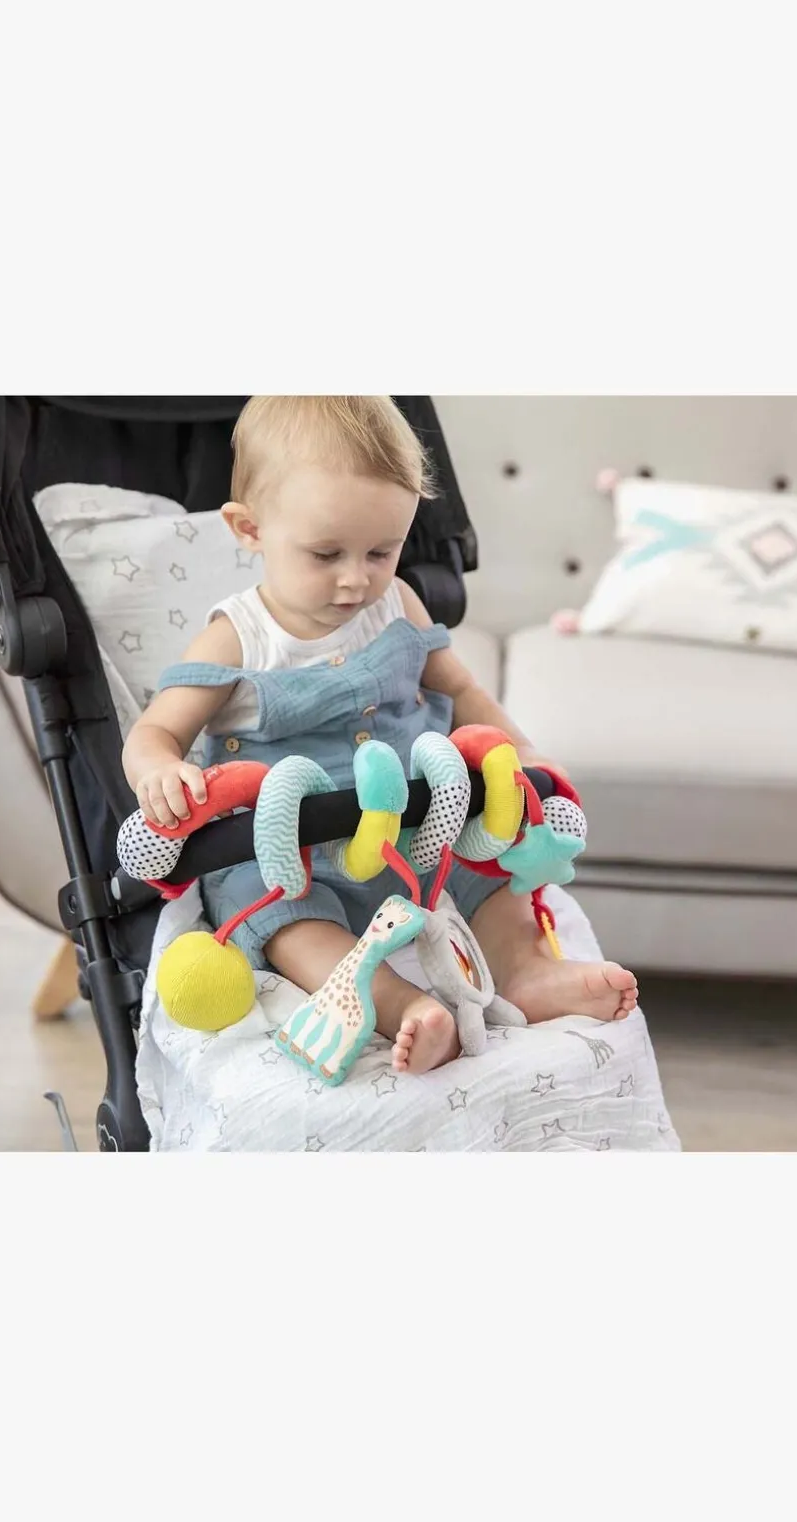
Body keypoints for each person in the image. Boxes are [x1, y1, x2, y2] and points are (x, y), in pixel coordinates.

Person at [122, 397, 637, 1073]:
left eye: (381, 551)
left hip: (420, 826)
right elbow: (156, 730)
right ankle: (397, 1004)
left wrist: (521, 747)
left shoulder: (397, 605)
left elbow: (460, 690)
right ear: (250, 529)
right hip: (298, 854)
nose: (355, 578)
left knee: (491, 872)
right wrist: (160, 770)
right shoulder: (237, 638)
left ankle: (526, 970)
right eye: (325, 553)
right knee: (282, 921)